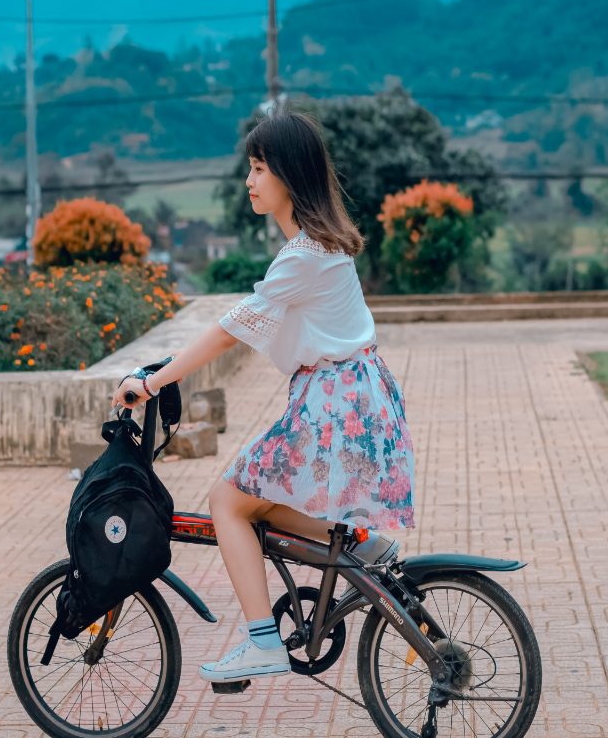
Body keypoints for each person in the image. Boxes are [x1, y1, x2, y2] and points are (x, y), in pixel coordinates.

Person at [110, 110, 415, 684]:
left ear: (288, 176)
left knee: (227, 500)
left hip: (333, 402)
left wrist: (151, 383)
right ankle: (356, 544)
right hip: (352, 397)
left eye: (257, 169)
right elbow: (256, 326)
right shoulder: (321, 246)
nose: (248, 181)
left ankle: (261, 642)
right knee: (257, 501)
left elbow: (230, 329)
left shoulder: (303, 255)